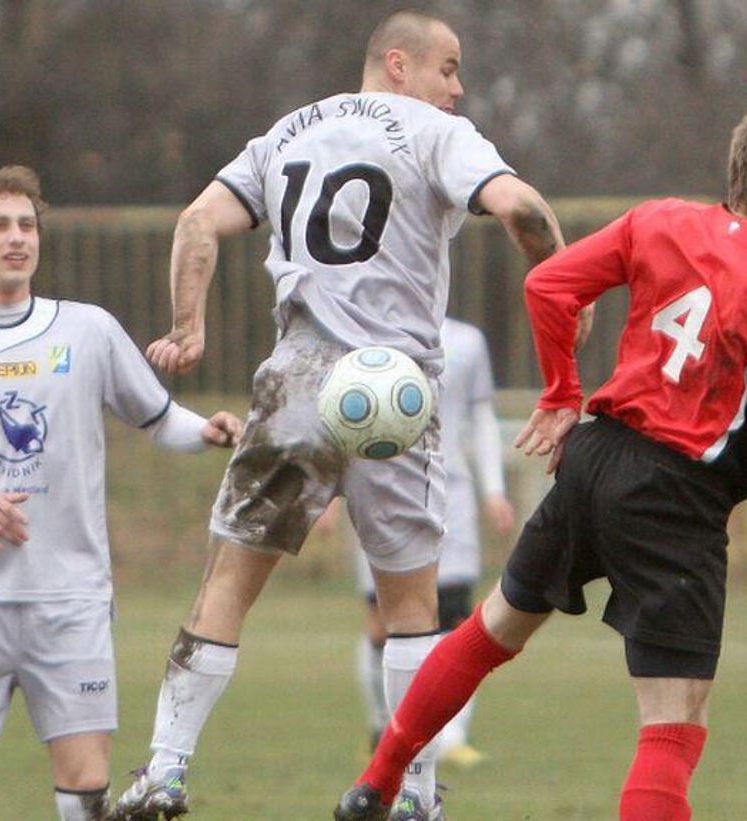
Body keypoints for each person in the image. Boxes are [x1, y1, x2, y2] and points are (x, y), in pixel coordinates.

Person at [108, 10, 569, 821]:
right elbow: (522, 208)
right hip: (397, 390)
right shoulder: (434, 132)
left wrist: (189, 327)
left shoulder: (286, 131)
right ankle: (415, 795)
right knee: (411, 610)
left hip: (296, 380)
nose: (458, 88)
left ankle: (164, 772)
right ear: (400, 63)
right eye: (448, 67)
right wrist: (564, 291)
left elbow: (195, 222)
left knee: (226, 585)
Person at [334, 106, 747, 821]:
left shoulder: (659, 219)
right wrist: (713, 497)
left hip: (594, 454)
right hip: (678, 489)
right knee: (675, 716)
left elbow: (549, 286)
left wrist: (562, 393)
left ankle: (376, 783)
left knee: (489, 632)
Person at [0, 165, 242, 821]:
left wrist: (209, 431)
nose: (17, 238)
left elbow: (159, 418)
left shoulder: (88, 330)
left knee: (85, 790)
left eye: (26, 224)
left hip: (71, 594)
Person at [348, 316, 515, 767]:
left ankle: (452, 736)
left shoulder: (467, 339)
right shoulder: (365, 329)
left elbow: (480, 416)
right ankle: (384, 724)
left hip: (451, 493)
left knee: (455, 618)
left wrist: (493, 490)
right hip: (380, 490)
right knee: (382, 622)